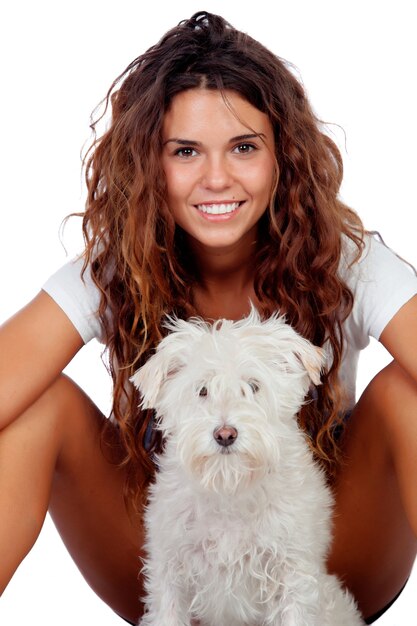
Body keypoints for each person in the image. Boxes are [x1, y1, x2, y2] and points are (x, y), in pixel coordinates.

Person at [1, 10, 417, 625]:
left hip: (320, 566)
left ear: (283, 158)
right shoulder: (119, 268)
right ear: (150, 164)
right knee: (36, 405)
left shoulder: (348, 261)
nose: (216, 178)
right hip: (175, 571)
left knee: (406, 394)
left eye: (244, 147)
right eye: (186, 151)